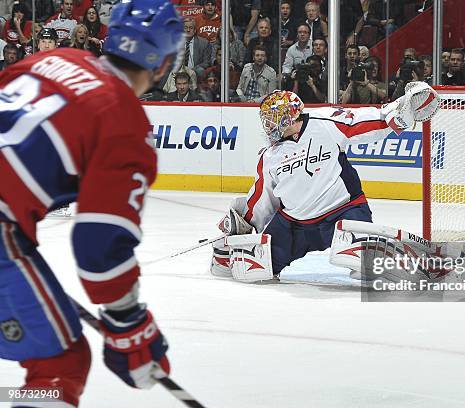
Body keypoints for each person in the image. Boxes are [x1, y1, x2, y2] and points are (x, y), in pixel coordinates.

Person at [0, 1, 184, 406]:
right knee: (59, 366)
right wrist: (128, 323)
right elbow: (100, 244)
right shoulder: (126, 124)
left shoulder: (53, 58)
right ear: (164, 62)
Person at [210, 84, 440, 279]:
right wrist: (243, 224)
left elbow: (365, 121)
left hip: (343, 213)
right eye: (266, 120)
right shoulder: (269, 157)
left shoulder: (325, 122)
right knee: (251, 268)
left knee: (365, 261)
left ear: (289, 114)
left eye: (272, 119)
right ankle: (228, 254)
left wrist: (396, 113)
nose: (268, 126)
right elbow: (263, 199)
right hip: (295, 225)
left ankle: (405, 260)